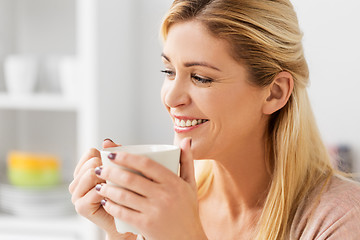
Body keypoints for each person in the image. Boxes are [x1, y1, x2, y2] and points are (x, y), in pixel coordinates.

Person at [69, 0, 360, 239]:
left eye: (200, 77)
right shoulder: (165, 211)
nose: (171, 98)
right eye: (168, 72)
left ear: (274, 92)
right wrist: (124, 234)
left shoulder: (340, 219)